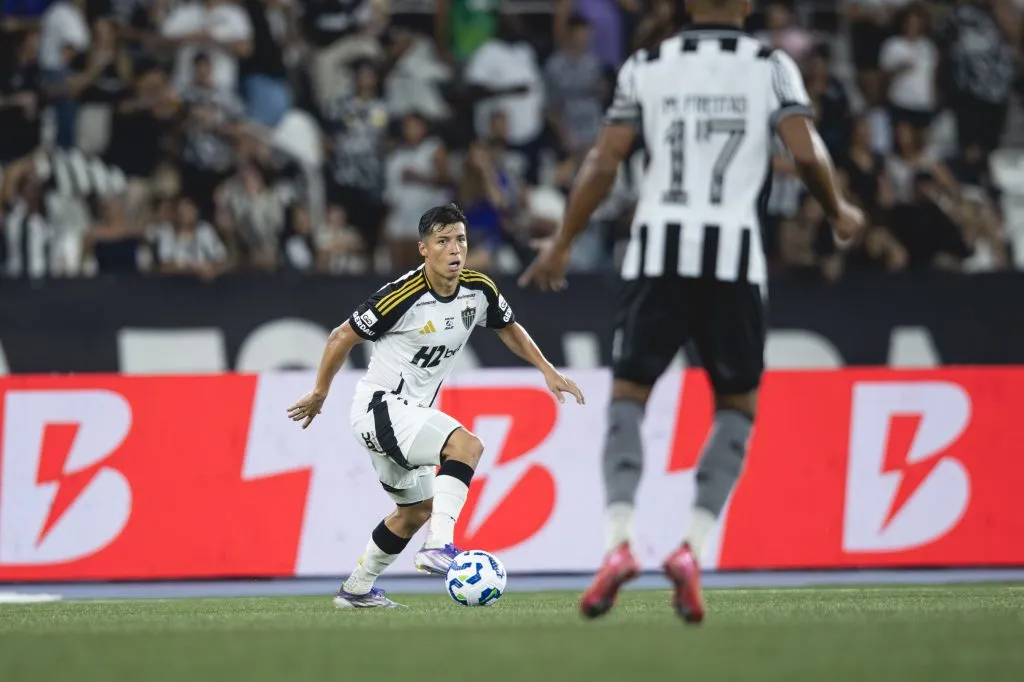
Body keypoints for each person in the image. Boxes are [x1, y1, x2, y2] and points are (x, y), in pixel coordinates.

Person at [519, 0, 865, 624]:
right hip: (733, 260)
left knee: (628, 396)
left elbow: (603, 160)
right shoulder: (770, 64)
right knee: (735, 406)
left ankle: (618, 544)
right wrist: (838, 211)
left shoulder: (647, 62)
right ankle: (691, 549)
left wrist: (564, 241)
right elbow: (806, 153)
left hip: (655, 256)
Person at [287, 203, 585, 608]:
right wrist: (320, 392)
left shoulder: (478, 289)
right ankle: (439, 547)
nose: (454, 249)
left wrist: (547, 369)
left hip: (403, 416)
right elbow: (341, 336)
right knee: (467, 446)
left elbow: (507, 326)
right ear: (423, 249)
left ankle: (355, 589)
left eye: (459, 239)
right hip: (380, 407)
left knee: (415, 511)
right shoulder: (401, 296)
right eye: (442, 241)